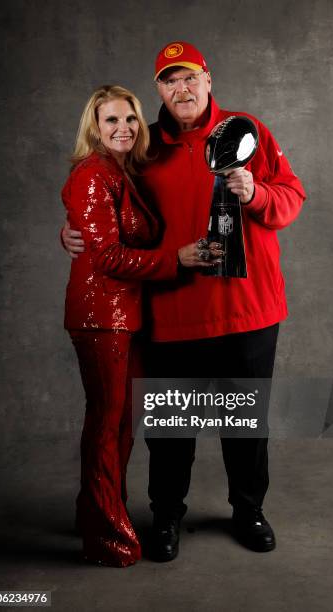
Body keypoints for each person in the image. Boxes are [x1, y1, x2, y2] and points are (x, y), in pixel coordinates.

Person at [63, 42, 306, 563]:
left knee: (245, 423)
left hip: (249, 308)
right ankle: (166, 514)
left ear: (208, 79)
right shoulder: (143, 148)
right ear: (159, 90)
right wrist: (74, 232)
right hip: (173, 312)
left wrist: (255, 193)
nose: (182, 88)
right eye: (170, 81)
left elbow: (291, 197)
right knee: (172, 430)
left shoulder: (248, 129)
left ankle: (248, 510)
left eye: (190, 77)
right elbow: (106, 208)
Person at [61, 84, 220, 567]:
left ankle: (96, 513)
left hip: (125, 314)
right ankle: (107, 532)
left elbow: (96, 233)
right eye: (111, 121)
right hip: (101, 315)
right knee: (108, 425)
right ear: (94, 127)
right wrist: (175, 258)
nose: (124, 128)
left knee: (122, 424)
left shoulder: (119, 170)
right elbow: (106, 255)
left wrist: (74, 234)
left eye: (130, 119)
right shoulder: (94, 173)